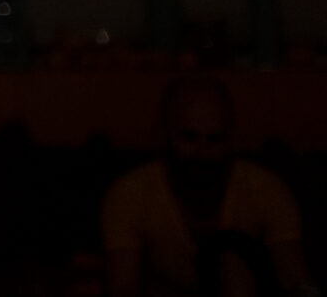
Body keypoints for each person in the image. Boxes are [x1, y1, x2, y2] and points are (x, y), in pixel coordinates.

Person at [105, 76, 311, 297]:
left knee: (233, 263)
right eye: (189, 137)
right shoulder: (131, 194)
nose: (202, 152)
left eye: (215, 139)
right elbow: (123, 284)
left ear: (230, 139)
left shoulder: (265, 190)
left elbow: (295, 278)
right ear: (164, 136)